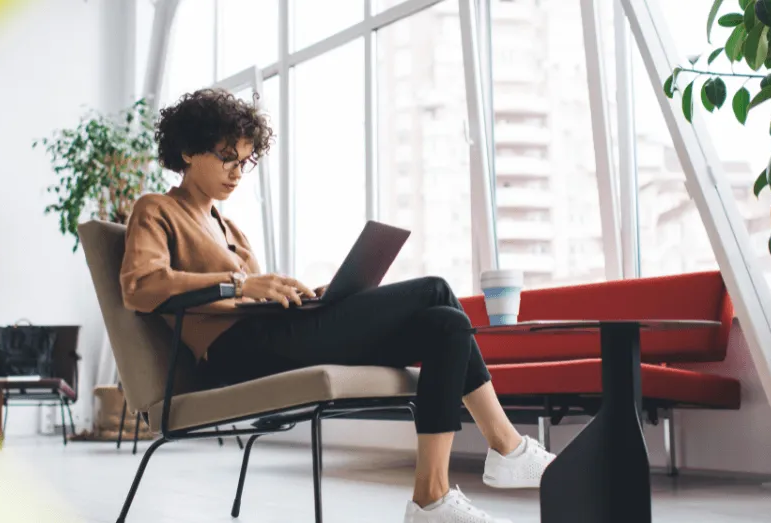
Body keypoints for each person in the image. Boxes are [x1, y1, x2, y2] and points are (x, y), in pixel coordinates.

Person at [120, 88, 555, 523]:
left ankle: (431, 500)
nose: (237, 172)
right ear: (188, 151)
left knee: (444, 325)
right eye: (226, 157)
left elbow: (251, 294)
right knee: (435, 290)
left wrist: (305, 297)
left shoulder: (228, 225)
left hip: (271, 337)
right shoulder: (156, 209)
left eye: (244, 161)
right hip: (236, 353)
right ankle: (506, 447)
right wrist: (241, 282)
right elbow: (140, 286)